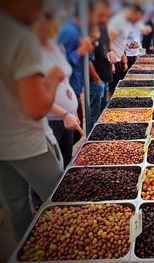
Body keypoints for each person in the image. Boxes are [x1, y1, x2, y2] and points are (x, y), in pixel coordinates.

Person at [0, 0, 64, 242]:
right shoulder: (20, 37)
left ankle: (28, 249)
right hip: (27, 142)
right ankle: (62, 250)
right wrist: (53, 80)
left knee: (15, 207)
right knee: (62, 201)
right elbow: (36, 108)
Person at [34, 13, 83, 168]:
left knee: (66, 162)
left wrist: (71, 109)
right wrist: (64, 113)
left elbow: (64, 76)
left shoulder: (55, 46)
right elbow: (36, 94)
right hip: (51, 119)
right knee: (50, 169)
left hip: (67, 118)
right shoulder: (31, 53)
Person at [57, 9, 95, 142]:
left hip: (74, 91)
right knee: (70, 138)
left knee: (74, 136)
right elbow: (60, 67)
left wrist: (89, 47)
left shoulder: (81, 32)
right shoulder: (69, 33)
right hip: (65, 96)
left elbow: (87, 58)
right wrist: (80, 51)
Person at [88, 0, 117, 130]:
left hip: (105, 77)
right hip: (96, 81)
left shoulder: (104, 28)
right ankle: (91, 137)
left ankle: (101, 133)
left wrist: (112, 53)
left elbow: (108, 44)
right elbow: (87, 60)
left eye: (107, 15)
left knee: (103, 112)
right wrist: (97, 80)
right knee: (94, 115)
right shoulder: (90, 30)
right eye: (102, 15)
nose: (104, 18)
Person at [108, 4, 144, 97]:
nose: (137, 21)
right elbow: (108, 41)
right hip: (113, 61)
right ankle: (110, 108)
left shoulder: (127, 23)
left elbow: (121, 41)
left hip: (119, 59)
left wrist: (124, 58)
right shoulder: (118, 21)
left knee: (116, 86)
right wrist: (111, 62)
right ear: (133, 12)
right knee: (111, 89)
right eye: (137, 18)